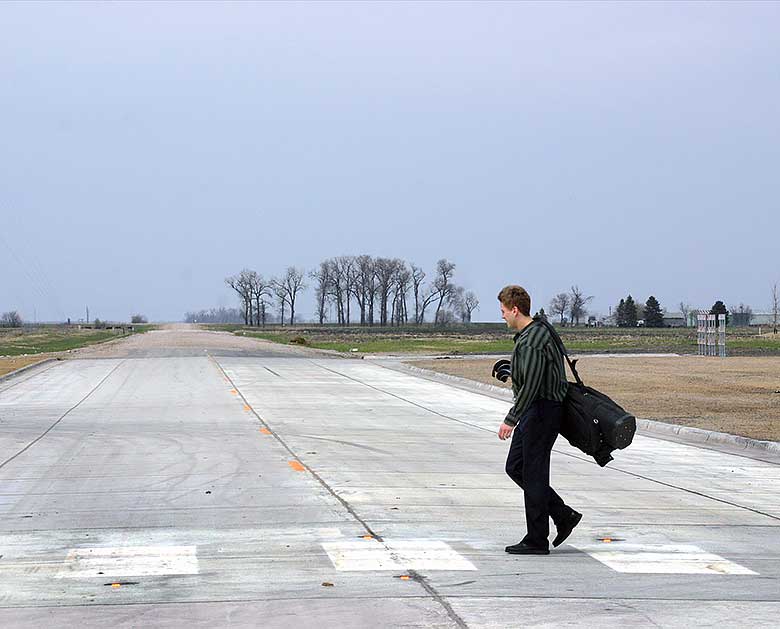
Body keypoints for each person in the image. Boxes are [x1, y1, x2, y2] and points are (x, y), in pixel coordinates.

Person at [497, 285, 582, 555]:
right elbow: (533, 375)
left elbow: (533, 385)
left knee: (533, 473)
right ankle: (562, 514)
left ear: (515, 309)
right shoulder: (531, 334)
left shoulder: (533, 338)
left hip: (542, 411)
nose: (502, 317)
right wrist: (512, 372)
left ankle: (536, 539)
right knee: (517, 467)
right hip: (536, 410)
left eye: (503, 311)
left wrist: (511, 419)